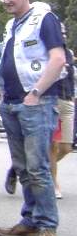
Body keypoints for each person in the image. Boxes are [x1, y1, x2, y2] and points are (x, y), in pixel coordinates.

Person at [0, 0, 65, 236]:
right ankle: (30, 220)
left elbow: (58, 59)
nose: (7, 2)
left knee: (38, 168)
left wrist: (35, 93)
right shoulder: (12, 25)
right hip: (11, 103)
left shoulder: (44, 18)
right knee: (23, 168)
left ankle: (48, 225)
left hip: (36, 102)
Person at [49, 24, 74, 199]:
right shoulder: (47, 52)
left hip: (68, 101)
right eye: (60, 33)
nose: (63, 36)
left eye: (64, 33)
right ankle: (53, 182)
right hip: (53, 100)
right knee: (54, 146)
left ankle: (34, 170)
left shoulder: (70, 53)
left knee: (66, 148)